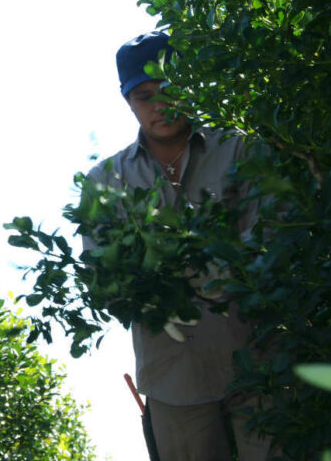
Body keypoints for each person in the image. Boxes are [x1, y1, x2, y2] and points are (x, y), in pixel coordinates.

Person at [83, 32, 268, 460]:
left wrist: (183, 273)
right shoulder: (104, 181)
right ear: (128, 101)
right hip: (173, 381)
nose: (160, 104)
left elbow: (271, 241)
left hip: (263, 365)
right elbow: (103, 278)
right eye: (145, 95)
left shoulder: (241, 148)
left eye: (169, 88)